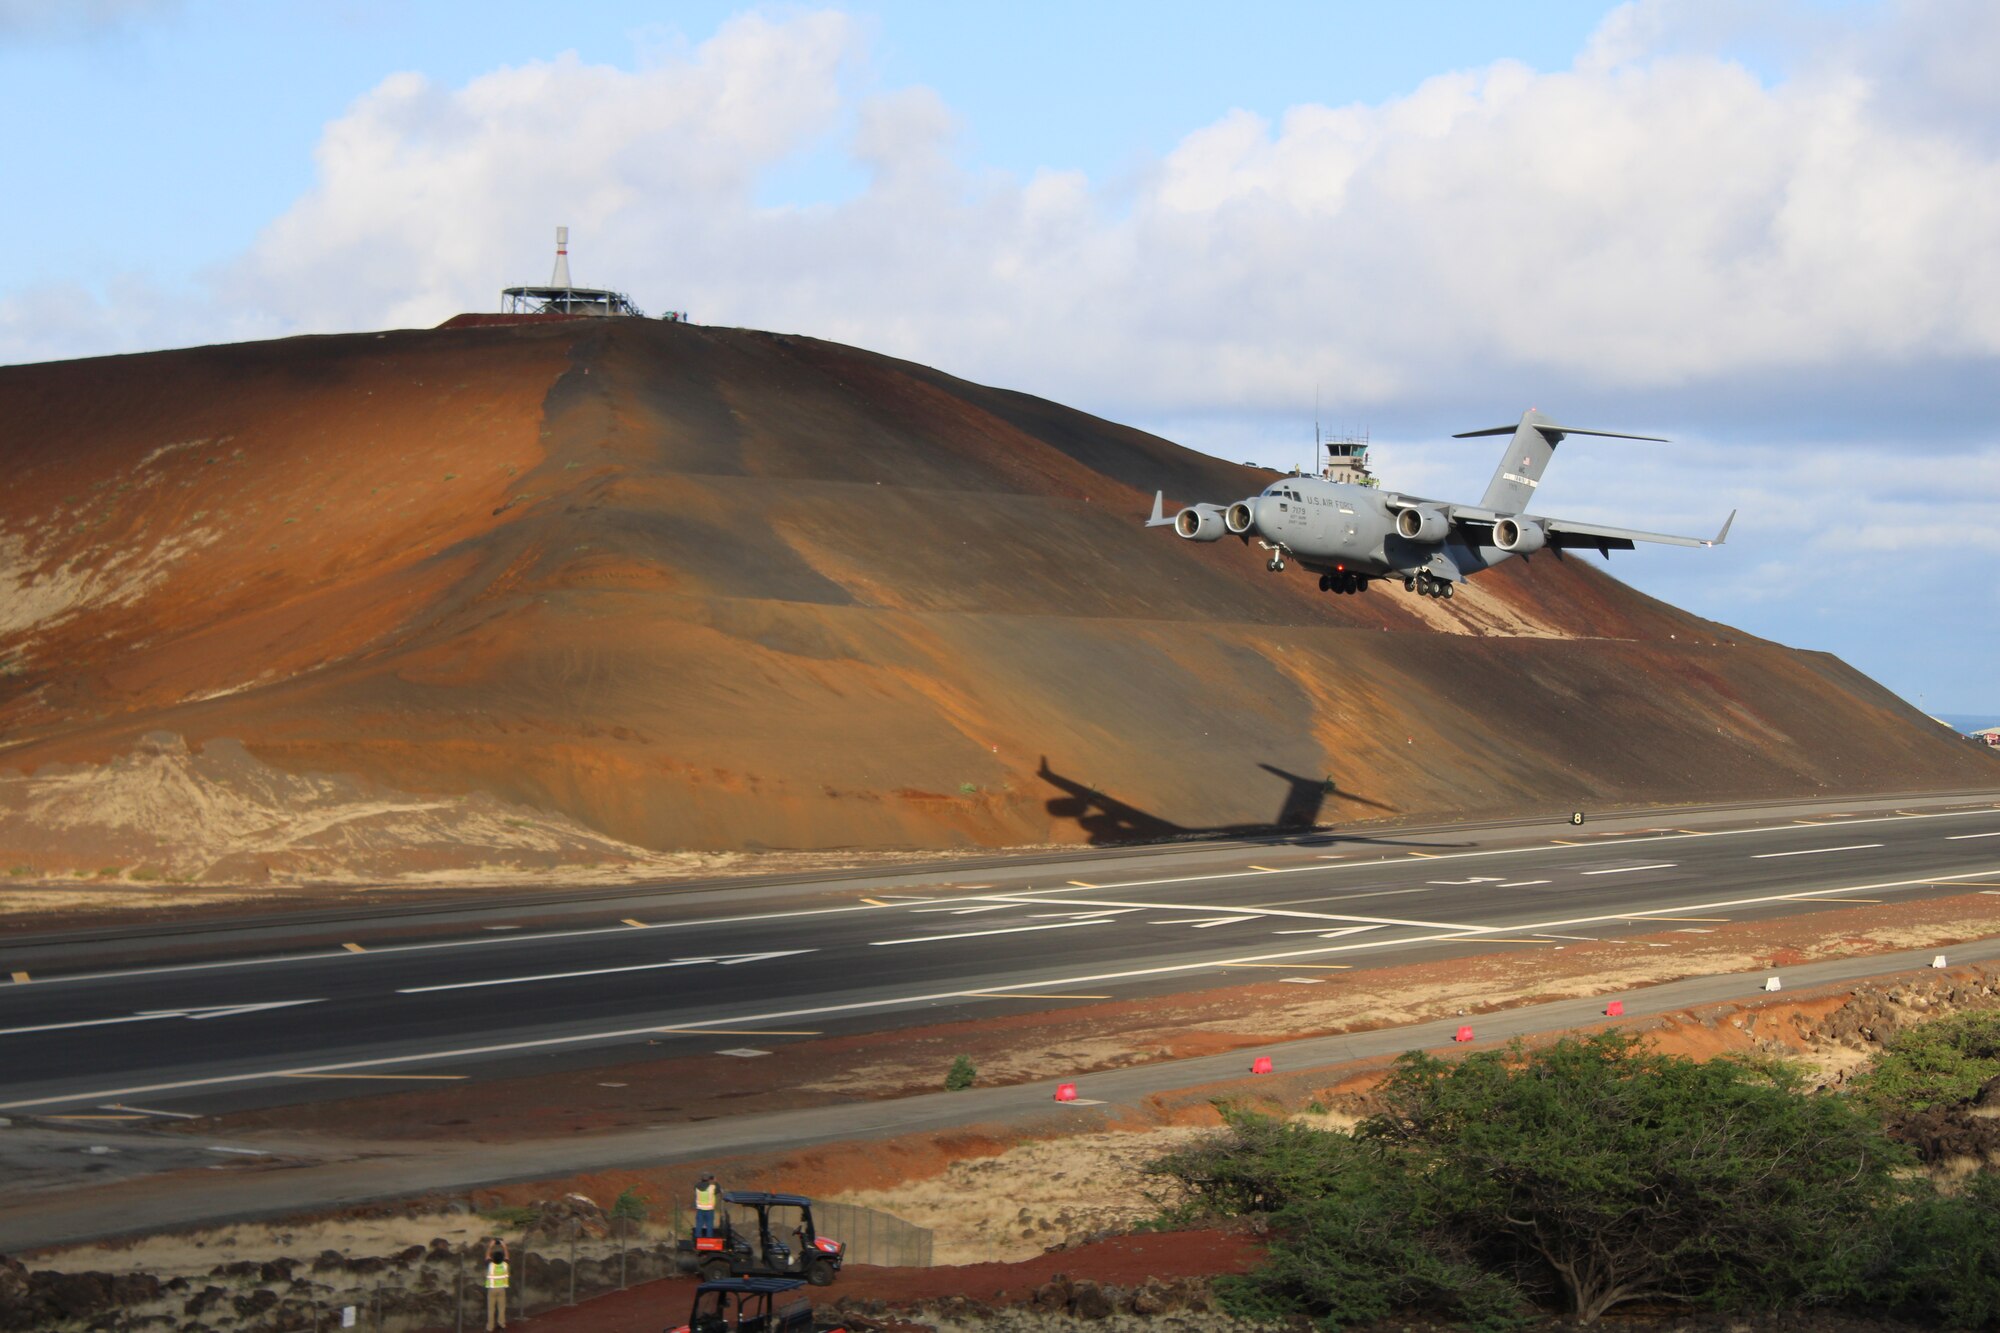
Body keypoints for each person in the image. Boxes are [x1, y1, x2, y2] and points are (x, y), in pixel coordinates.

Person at [483, 1238, 510, 1330]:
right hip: (501, 1289)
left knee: (491, 1309)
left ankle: (490, 1327)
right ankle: (501, 1325)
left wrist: (490, 1246)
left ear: (493, 1258)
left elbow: (487, 1256)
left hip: (492, 1289)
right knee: (501, 1308)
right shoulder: (505, 1265)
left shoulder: (491, 1265)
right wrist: (504, 1246)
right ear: (502, 1259)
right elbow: (507, 1257)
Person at [693, 1174, 719, 1239]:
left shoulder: (697, 1187)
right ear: (709, 1180)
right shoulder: (712, 1187)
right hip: (709, 1209)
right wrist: (715, 1181)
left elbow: (696, 1185)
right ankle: (709, 1238)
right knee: (709, 1225)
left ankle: (697, 1239)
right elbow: (718, 1190)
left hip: (700, 1209)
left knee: (699, 1224)